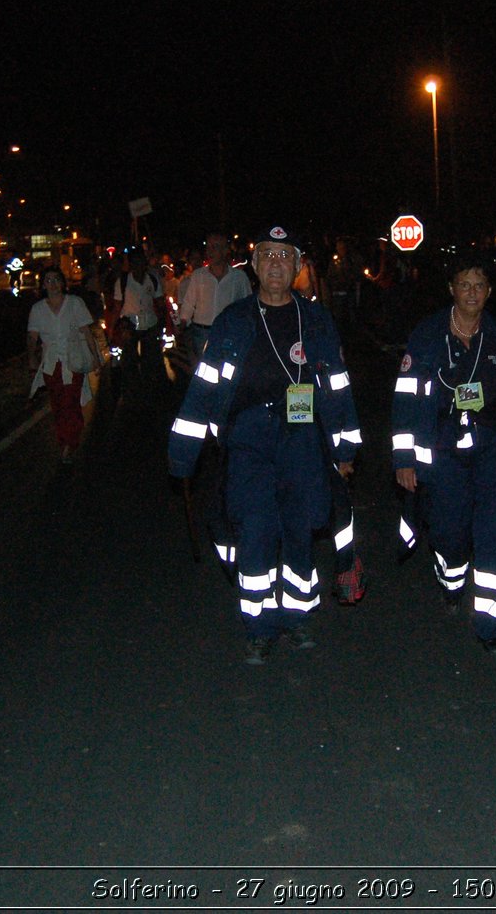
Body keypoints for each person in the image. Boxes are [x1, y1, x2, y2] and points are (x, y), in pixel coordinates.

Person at [169, 223, 361, 663]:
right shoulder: (232, 321)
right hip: (248, 437)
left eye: (284, 256)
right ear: (253, 266)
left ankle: (296, 616)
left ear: (297, 267)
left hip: (303, 435)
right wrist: (182, 453)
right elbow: (205, 387)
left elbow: (336, 386)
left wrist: (345, 448)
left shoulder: (315, 320)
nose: (276, 264)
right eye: (267, 256)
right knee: (255, 527)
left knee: (299, 524)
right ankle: (258, 624)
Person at [391, 254, 496, 654]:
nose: (472, 293)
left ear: (489, 292)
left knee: (495, 534)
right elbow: (405, 400)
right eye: (465, 284)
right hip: (442, 449)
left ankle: (491, 625)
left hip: (493, 449)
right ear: (452, 289)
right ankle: (451, 574)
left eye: (479, 285)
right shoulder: (427, 336)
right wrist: (404, 458)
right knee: (449, 531)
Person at [27, 266, 102, 462]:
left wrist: (95, 358)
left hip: (72, 361)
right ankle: (64, 441)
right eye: (48, 280)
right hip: (51, 364)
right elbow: (32, 337)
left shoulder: (75, 303)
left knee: (71, 401)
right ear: (43, 285)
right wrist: (32, 360)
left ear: (63, 283)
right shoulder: (38, 310)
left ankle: (70, 443)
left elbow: (86, 331)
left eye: (56, 279)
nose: (52, 284)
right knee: (58, 404)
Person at [176, 232, 252, 361]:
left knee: (226, 370)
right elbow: (189, 303)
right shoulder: (198, 275)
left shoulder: (239, 277)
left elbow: (248, 306)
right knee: (203, 371)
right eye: (208, 247)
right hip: (202, 333)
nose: (210, 251)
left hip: (228, 333)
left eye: (215, 247)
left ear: (225, 250)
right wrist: (182, 323)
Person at [110, 247, 162, 379]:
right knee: (129, 361)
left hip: (150, 324)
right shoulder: (122, 282)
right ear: (130, 264)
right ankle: (131, 389)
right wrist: (112, 328)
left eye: (140, 262)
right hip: (129, 325)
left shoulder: (153, 279)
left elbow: (160, 303)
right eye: (134, 262)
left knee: (150, 361)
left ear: (145, 263)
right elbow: (117, 307)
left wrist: (162, 326)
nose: (138, 266)